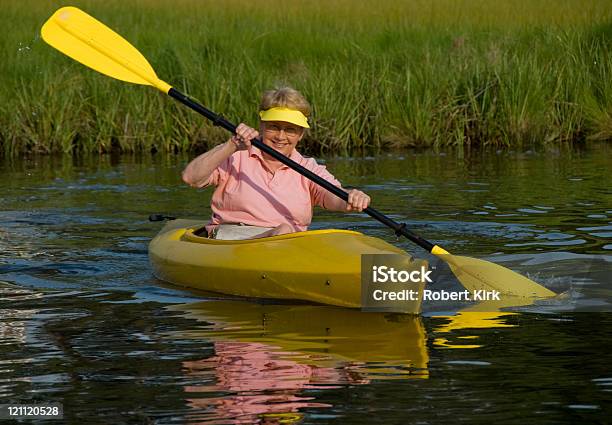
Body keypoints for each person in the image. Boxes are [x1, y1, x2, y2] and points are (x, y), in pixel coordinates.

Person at [182, 87, 371, 240]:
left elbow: (333, 197)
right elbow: (191, 178)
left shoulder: (309, 168)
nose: (281, 137)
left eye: (290, 130)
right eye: (274, 127)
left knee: (285, 232)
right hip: (232, 238)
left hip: (288, 243)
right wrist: (231, 145)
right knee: (284, 231)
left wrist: (351, 198)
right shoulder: (235, 156)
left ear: (300, 135)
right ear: (261, 125)